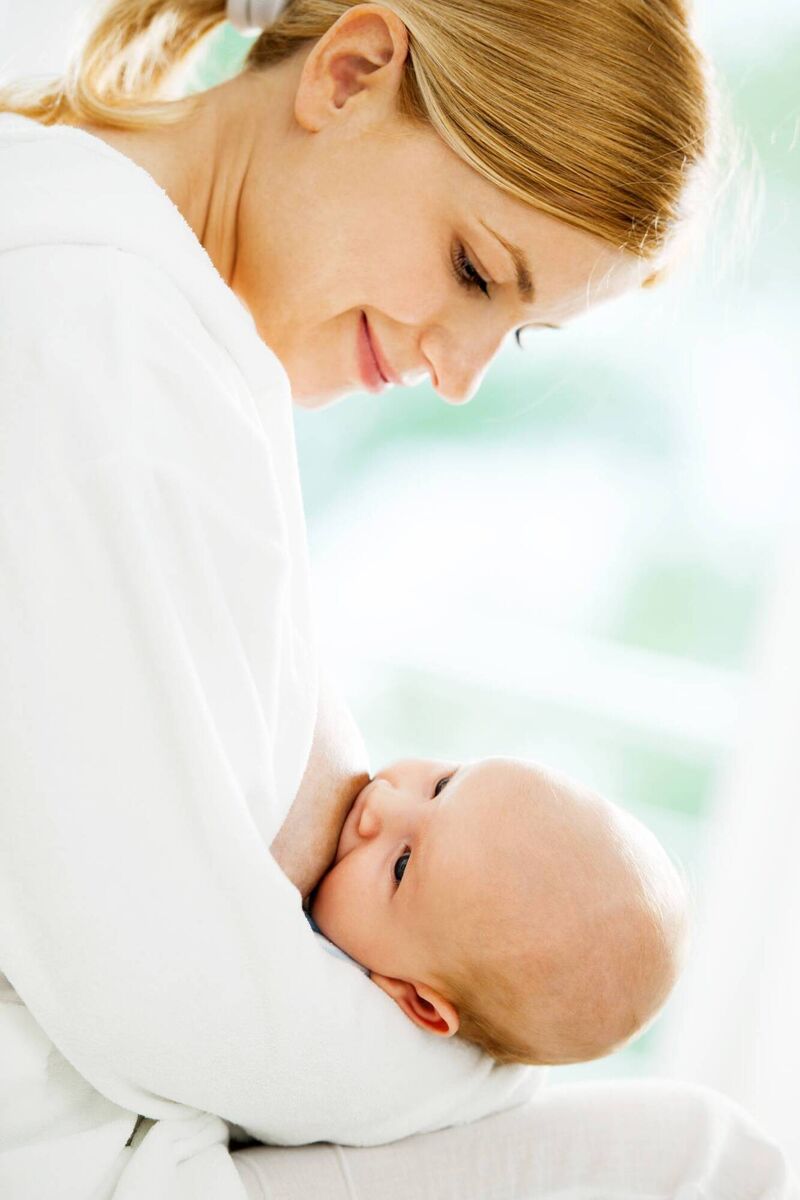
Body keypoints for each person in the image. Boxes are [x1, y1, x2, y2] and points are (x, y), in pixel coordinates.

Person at [3, 0, 796, 1196]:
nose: (458, 374)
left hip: (140, 1123)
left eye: (514, 332)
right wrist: (482, 1061)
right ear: (351, 70)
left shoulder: (171, 337)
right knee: (707, 1165)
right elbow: (155, 986)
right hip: (74, 1145)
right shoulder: (95, 332)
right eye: (473, 269)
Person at [307, 756, 687, 1067]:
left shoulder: (326, 1024)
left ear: (419, 1001)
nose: (379, 801)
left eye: (402, 866)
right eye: (441, 786)